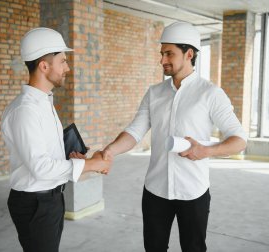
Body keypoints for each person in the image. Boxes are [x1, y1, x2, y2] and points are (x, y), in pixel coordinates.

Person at [102, 22, 247, 252]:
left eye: (169, 53)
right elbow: (134, 131)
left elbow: (239, 140)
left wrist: (206, 151)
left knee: (193, 248)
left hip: (193, 192)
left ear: (189, 54)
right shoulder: (154, 93)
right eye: (162, 54)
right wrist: (109, 151)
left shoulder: (210, 94)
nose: (162, 60)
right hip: (155, 191)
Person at [1, 27, 111, 252]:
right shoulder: (26, 110)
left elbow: (45, 154)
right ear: (44, 65)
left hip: (50, 199)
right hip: (36, 203)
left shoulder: (44, 102)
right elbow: (40, 168)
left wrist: (73, 157)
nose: (67, 68)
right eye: (62, 61)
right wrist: (91, 164)